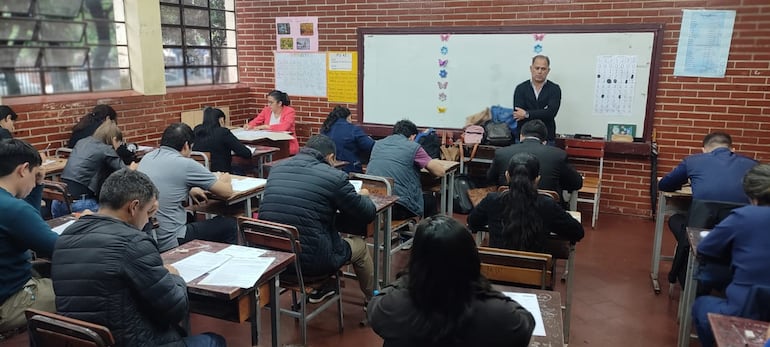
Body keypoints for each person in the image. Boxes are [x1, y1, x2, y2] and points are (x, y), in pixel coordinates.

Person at [52, 169, 227, 347]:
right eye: (149, 213)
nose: (148, 220)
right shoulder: (133, 243)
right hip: (130, 341)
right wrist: (174, 276)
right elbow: (177, 309)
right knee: (214, 340)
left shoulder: (67, 235)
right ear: (134, 207)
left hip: (84, 340)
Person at [367, 215, 535, 347]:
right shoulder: (497, 313)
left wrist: (409, 278)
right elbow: (526, 324)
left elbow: (374, 307)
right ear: (471, 259)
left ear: (416, 260)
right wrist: (485, 288)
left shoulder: (393, 306)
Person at [258, 134, 376, 304]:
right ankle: (373, 300)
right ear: (331, 158)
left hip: (274, 258)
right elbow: (367, 213)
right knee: (360, 246)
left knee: (318, 232)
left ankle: (325, 287)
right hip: (311, 264)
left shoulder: (277, 169)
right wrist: (364, 196)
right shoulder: (334, 177)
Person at [659, 132, 757, 285]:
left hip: (700, 231)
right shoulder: (753, 164)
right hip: (737, 234)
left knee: (676, 220)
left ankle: (689, 265)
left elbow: (664, 185)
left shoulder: (693, 161)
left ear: (703, 149)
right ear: (732, 149)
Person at [691, 164, 770, 347]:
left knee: (701, 305)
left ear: (750, 195)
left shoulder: (744, 216)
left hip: (746, 308)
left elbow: (705, 248)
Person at [138, 123, 237, 252]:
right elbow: (227, 192)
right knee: (228, 224)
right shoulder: (185, 164)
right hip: (171, 239)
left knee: (192, 217)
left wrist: (189, 189)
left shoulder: (147, 158)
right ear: (186, 145)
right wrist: (225, 179)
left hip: (150, 236)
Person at [470, 152, 584, 252]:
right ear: (537, 179)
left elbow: (472, 222)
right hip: (535, 274)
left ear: (507, 176)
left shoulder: (492, 200)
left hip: (497, 272)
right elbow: (577, 232)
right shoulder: (547, 204)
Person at [0, 139, 57, 333]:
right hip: (8, 302)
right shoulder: (12, 208)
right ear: (23, 169)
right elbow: (58, 248)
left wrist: (38, 184)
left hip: (6, 285)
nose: (34, 183)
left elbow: (27, 225)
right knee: (81, 291)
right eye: (34, 175)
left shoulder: (12, 206)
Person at [52, 120, 134, 217]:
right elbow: (126, 173)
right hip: (82, 204)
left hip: (58, 201)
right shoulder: (106, 149)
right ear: (114, 139)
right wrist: (132, 168)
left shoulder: (81, 142)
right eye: (119, 144)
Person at [367, 119, 446, 220]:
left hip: (374, 203)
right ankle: (431, 233)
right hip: (397, 207)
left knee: (401, 194)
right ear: (413, 136)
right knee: (430, 200)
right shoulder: (413, 147)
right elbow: (440, 172)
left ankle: (404, 234)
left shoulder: (378, 144)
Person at [487, 119, 582, 196]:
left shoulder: (501, 153)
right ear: (545, 141)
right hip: (547, 213)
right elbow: (576, 183)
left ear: (521, 136)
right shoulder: (559, 155)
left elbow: (490, 179)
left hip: (507, 210)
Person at [513, 55, 561, 143]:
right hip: (524, 136)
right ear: (531, 69)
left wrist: (527, 114)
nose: (539, 72)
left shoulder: (554, 89)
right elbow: (518, 114)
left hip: (547, 138)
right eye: (537, 68)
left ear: (548, 70)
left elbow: (551, 113)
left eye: (543, 69)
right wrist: (543, 112)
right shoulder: (521, 88)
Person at [68, 104, 135, 164]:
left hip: (75, 161)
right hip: (93, 162)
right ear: (108, 118)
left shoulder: (82, 125)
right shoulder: (104, 130)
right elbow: (114, 151)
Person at [193, 107, 253, 173]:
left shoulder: (197, 130)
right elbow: (246, 153)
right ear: (221, 120)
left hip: (201, 172)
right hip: (221, 173)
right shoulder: (223, 132)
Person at [320, 105, 375, 173]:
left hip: (327, 169)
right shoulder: (353, 129)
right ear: (348, 117)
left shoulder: (325, 129)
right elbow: (371, 146)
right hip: (349, 170)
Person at [245, 90, 299, 155]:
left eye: (271, 102)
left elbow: (285, 126)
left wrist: (266, 127)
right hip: (269, 143)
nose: (269, 105)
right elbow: (256, 120)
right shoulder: (266, 110)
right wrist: (249, 125)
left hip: (287, 145)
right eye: (268, 102)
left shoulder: (289, 111)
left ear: (279, 103)